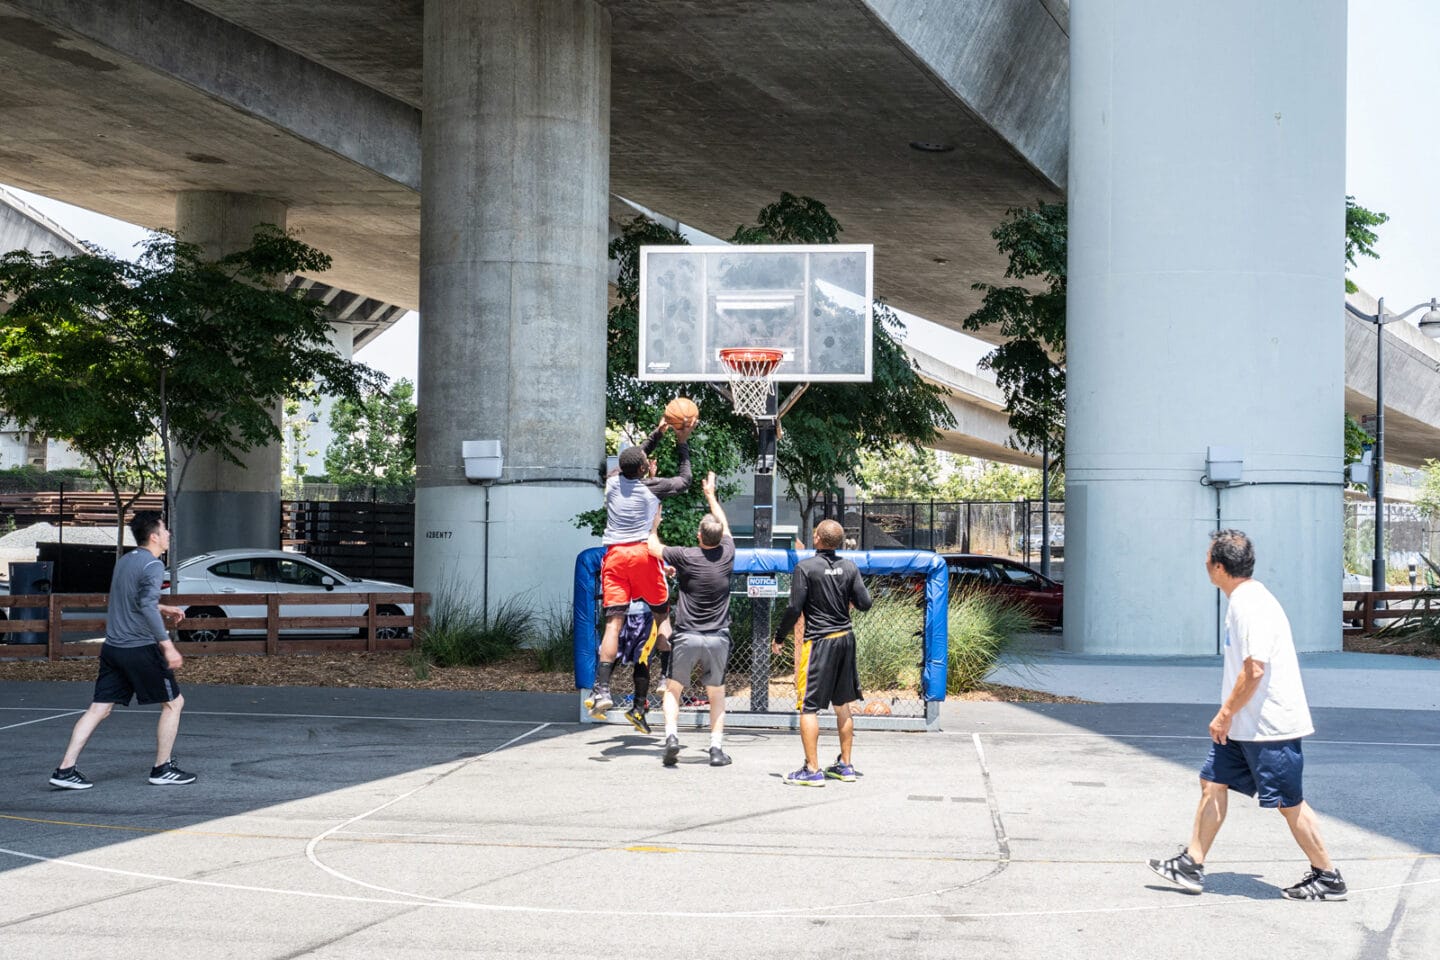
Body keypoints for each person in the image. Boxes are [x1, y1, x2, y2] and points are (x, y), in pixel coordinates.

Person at [1148, 529, 1346, 900]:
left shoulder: (1249, 605)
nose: (1205, 564)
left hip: (1270, 727)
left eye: (1208, 559)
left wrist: (1224, 714)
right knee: (1212, 782)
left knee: (1290, 804)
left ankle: (1328, 876)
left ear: (1219, 566)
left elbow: (1255, 669)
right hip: (1244, 725)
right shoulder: (1243, 599)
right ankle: (1192, 863)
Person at [49, 511, 196, 789]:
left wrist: (162, 607)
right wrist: (168, 646)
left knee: (99, 709)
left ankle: (64, 770)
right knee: (174, 703)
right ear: (154, 536)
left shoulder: (126, 561)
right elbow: (144, 605)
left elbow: (132, 599)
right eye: (165, 530)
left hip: (113, 648)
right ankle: (162, 769)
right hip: (140, 649)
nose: (168, 535)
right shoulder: (152, 566)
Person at [587, 417, 693, 722]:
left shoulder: (611, 483)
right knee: (662, 618)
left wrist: (657, 432)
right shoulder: (652, 488)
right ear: (645, 468)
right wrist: (682, 442)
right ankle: (665, 676)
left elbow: (634, 457)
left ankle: (602, 689)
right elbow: (684, 480)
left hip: (615, 556)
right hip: (644, 554)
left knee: (612, 626)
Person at [771, 518, 871, 787]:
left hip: (820, 642)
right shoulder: (849, 567)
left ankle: (812, 769)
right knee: (843, 706)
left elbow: (794, 608)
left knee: (808, 707)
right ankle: (846, 766)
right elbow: (865, 603)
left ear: (817, 538)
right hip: (845, 639)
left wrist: (779, 637)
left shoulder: (804, 567)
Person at [647, 471, 735, 767]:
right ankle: (715, 749)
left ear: (699, 536)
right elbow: (724, 527)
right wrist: (711, 495)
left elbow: (653, 547)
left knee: (673, 688)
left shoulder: (685, 556)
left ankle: (671, 737)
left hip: (685, 636)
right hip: (717, 637)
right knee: (717, 693)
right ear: (720, 536)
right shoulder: (728, 554)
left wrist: (653, 521)